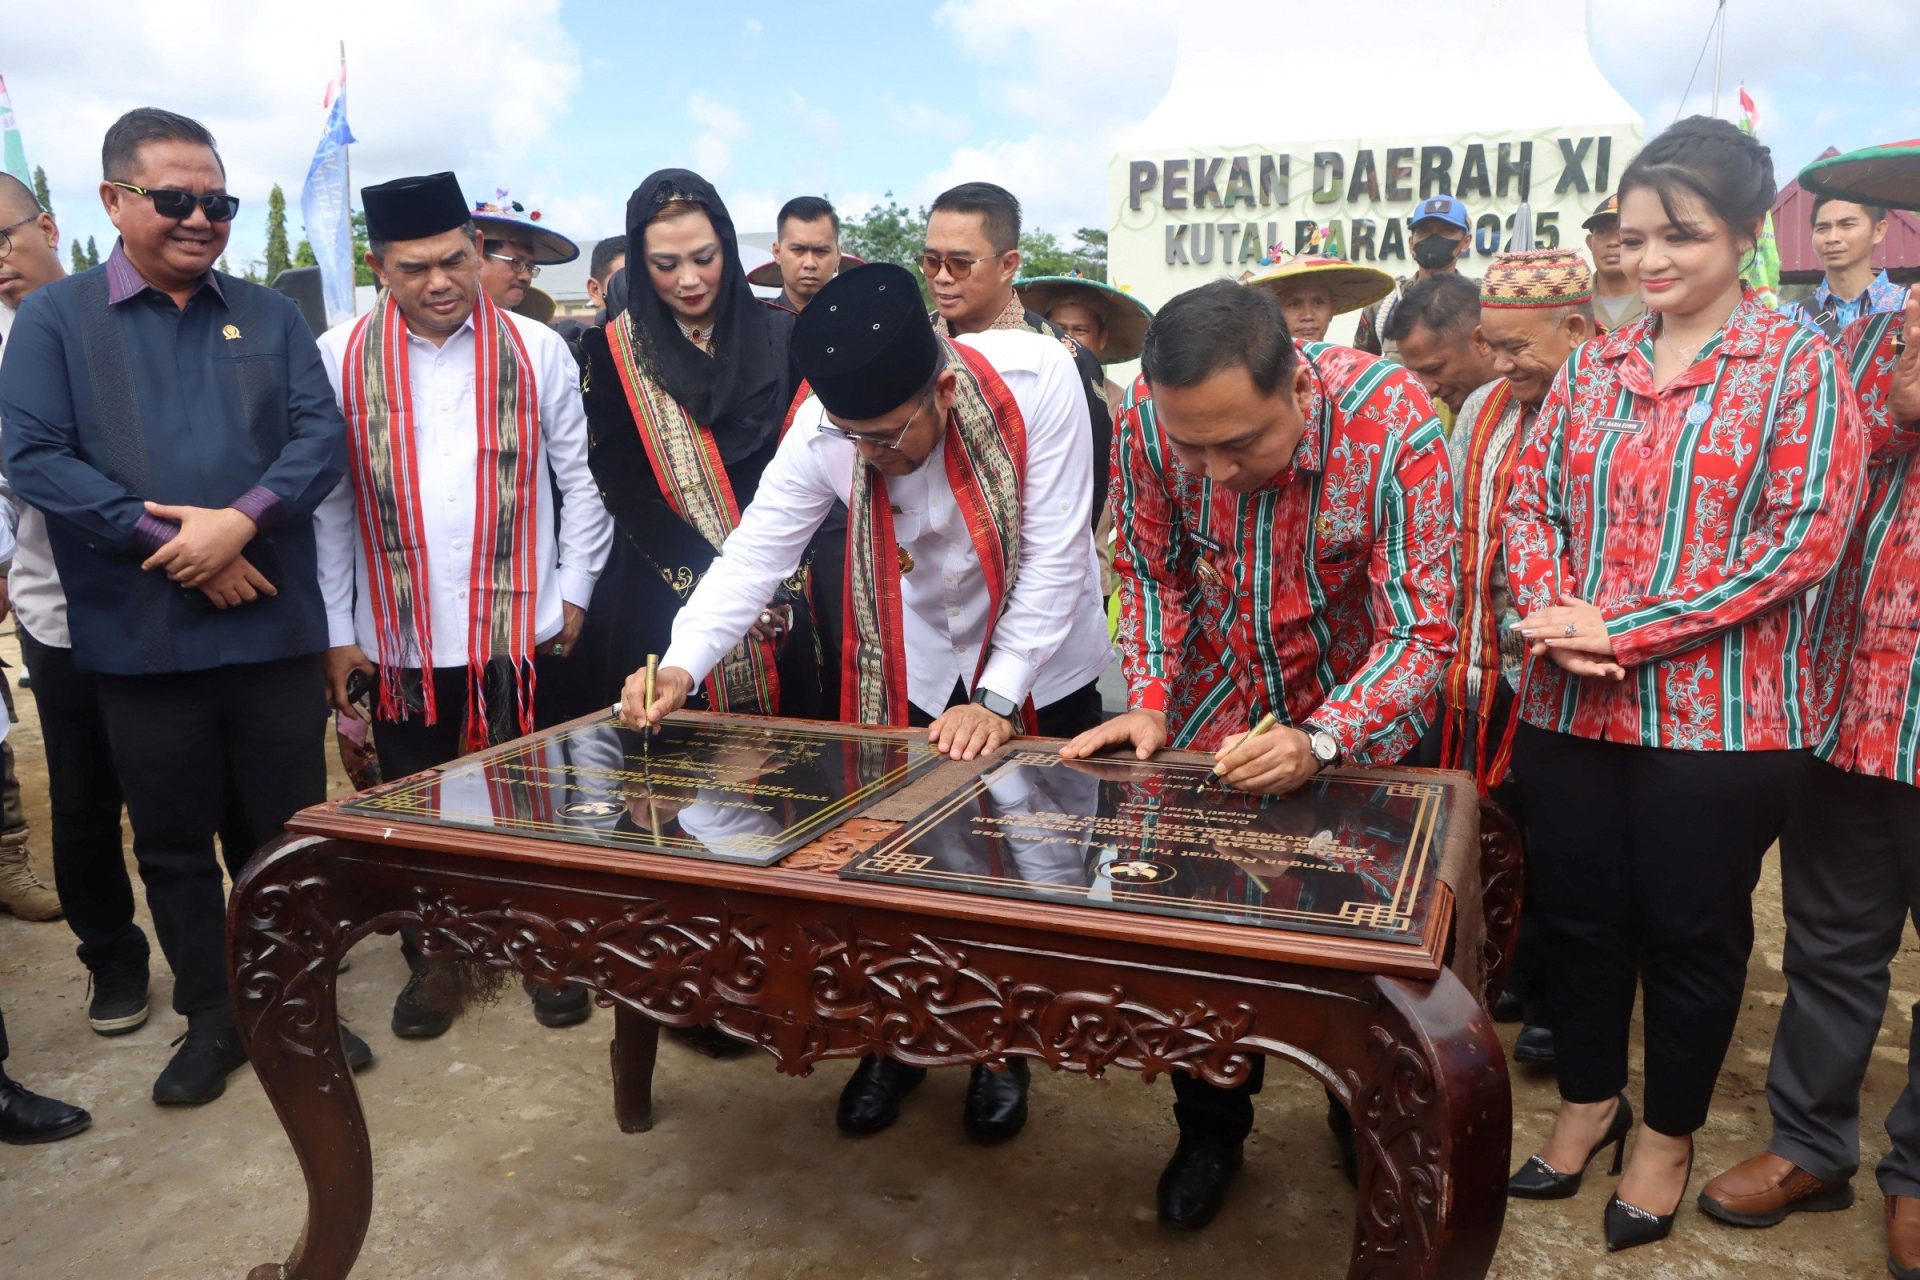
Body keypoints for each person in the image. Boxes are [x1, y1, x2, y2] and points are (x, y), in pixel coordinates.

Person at [625, 262, 1112, 1144]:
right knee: (896, 868)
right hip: (912, 655)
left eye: (888, 439)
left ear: (946, 389)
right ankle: (892, 1038)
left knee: (1023, 867)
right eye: (857, 441)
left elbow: (1057, 550)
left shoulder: (1043, 382)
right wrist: (682, 664)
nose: (870, 459)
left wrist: (999, 694)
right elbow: (753, 556)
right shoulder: (826, 430)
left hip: (1038, 653)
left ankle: (997, 1047)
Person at [1499, 116, 1864, 1253]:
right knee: (1579, 919)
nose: (1649, 259)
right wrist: (1561, 611)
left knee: (1692, 933)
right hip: (1571, 700)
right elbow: (1529, 500)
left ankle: (1666, 1133)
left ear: (1747, 236)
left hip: (1725, 721)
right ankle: (1589, 1105)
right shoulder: (1595, 361)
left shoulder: (1797, 364)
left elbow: (1803, 538)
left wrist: (1631, 626)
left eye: (1682, 236)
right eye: (1632, 233)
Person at [1060, 279, 1456, 1230]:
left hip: (1364, 731)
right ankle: (1209, 1126)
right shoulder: (1154, 429)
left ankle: (1359, 1118)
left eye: (1241, 443)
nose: (1214, 468)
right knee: (1202, 946)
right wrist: (1151, 701)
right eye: (1192, 446)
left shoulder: (1393, 419)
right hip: (1215, 720)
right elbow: (1151, 573)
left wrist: (1322, 738)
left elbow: (1421, 630)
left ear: (1303, 394)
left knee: (1358, 962)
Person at [0, 108, 366, 1105]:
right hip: (140, 636)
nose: (200, 218)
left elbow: (316, 443)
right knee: (170, 841)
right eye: (175, 199)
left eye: (218, 201)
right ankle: (217, 1012)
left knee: (285, 834)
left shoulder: (271, 314)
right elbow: (35, 460)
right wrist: (177, 543)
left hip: (268, 633)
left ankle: (299, 1003)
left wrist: (238, 523)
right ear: (115, 201)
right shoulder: (56, 322)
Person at [312, 171, 613, 1038]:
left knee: (533, 798)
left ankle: (541, 952)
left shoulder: (535, 347)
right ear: (379, 266)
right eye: (414, 269)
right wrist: (338, 634)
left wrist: (575, 592)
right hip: (399, 640)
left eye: (453, 260)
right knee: (415, 812)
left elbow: (579, 479)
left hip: (519, 632)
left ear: (477, 251)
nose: (439, 283)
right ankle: (437, 960)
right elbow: (332, 509)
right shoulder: (338, 356)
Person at [1696, 139, 1920, 1278]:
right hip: (1848, 702)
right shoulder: (1862, 343)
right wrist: (1900, 406)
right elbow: (1811, 479)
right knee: (1834, 940)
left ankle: (1918, 1173)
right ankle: (1812, 1143)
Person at [1422, 248, 1597, 1068]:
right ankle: (1518, 971)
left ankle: (1574, 1002)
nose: (1498, 364)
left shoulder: (1609, 400)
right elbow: (1457, 530)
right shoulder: (1486, 409)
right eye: (1490, 345)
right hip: (1479, 671)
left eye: (1517, 347)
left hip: (1573, 677)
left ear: (1575, 327)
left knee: (1573, 851)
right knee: (1499, 836)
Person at [571, 169, 817, 732]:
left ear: (727, 248)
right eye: (665, 265)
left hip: (790, 596)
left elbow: (819, 471)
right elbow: (622, 484)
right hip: (663, 589)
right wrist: (720, 590)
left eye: (704, 258)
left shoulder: (788, 336)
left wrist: (773, 589)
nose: (688, 279)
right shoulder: (611, 353)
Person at [922, 182, 1112, 526]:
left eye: (960, 263)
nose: (942, 277)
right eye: (932, 261)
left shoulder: (1067, 360)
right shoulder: (910, 344)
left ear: (1008, 264)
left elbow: (1082, 497)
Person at [0, 176, 61, 924]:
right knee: (77, 781)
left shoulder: (107, 315)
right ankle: (11, 854)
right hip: (45, 587)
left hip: (154, 571)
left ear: (45, 225)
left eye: (4, 238)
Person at [1354, 193, 1472, 358]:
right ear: (1411, 244)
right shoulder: (1384, 304)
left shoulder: (1479, 301)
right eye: (1424, 231)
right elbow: (1360, 365)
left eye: (1447, 230)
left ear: (1466, 242)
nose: (1434, 238)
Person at [1383, 272, 1500, 429]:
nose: (1427, 389)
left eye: (1434, 369)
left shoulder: (1536, 413)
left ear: (1481, 340)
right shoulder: (1431, 421)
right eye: (1418, 374)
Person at [1782, 196, 1906, 341]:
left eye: (1847, 225)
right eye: (1822, 228)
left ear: (1878, 230)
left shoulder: (1908, 309)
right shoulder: (1788, 320)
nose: (1832, 238)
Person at [1241, 251, 1394, 345]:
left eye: (1318, 303)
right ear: (1275, 310)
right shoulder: (1260, 372)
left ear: (1332, 307)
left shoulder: (1348, 372)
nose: (1308, 316)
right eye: (1294, 304)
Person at [471, 192, 579, 315]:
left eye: (531, 267)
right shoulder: (447, 329)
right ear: (477, 257)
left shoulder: (535, 333)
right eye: (517, 263)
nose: (526, 277)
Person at [762, 196, 843, 313]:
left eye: (821, 251)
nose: (810, 264)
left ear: (838, 255)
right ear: (777, 252)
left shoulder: (861, 327)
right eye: (798, 250)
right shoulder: (751, 326)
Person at [1584, 194, 1648, 332]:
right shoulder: (1574, 303)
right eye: (1602, 232)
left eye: (1623, 232)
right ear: (1590, 243)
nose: (1613, 242)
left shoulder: (1662, 302)